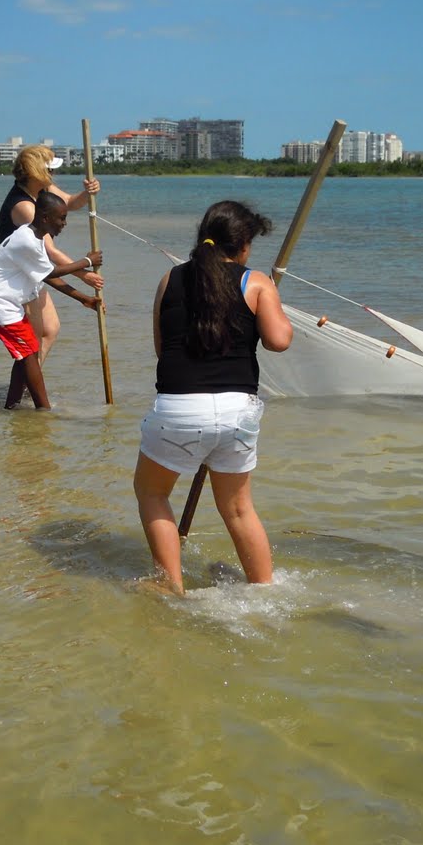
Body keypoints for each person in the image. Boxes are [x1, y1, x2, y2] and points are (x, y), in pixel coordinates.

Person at [133, 201, 293, 595]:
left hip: (178, 408)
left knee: (152, 492)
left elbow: (161, 349)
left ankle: (170, 586)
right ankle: (264, 591)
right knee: (238, 509)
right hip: (238, 411)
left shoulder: (169, 279)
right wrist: (270, 298)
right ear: (243, 245)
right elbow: (279, 341)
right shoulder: (256, 282)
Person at [0, 191, 102, 410]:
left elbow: (44, 276)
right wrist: (86, 261)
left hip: (2, 299)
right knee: (29, 350)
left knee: (25, 351)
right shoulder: (27, 240)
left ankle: (11, 405)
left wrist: (83, 299)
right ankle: (44, 410)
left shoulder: (34, 237)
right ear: (44, 218)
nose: (64, 224)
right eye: (61, 218)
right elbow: (50, 273)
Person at [0, 144, 102, 364]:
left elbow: (70, 203)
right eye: (50, 170)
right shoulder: (24, 206)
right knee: (31, 339)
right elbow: (50, 251)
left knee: (50, 329)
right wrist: (84, 273)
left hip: (35, 270)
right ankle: (25, 388)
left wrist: (87, 192)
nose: (54, 174)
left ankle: (30, 385)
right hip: (14, 277)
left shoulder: (43, 189)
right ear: (36, 172)